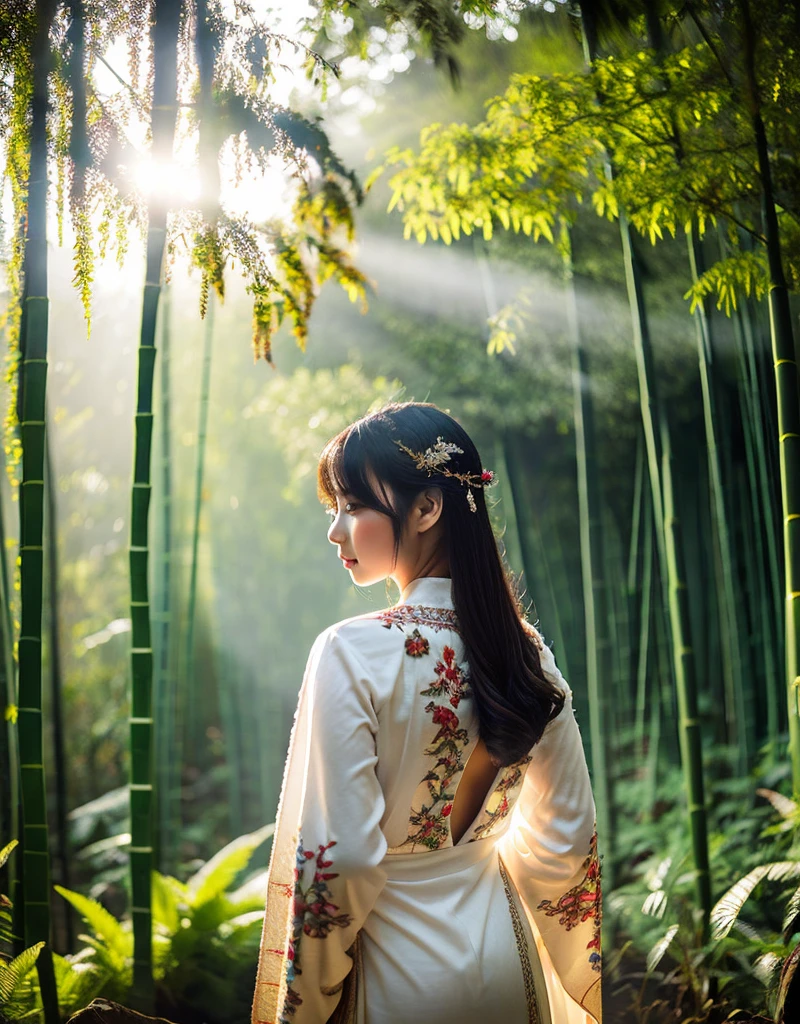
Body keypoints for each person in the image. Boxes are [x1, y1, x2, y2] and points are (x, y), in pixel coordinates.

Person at [251, 401, 601, 1024]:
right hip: (505, 963)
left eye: (353, 506)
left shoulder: (350, 652)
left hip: (396, 974)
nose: (335, 531)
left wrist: (310, 1002)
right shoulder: (527, 655)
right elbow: (567, 841)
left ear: (427, 508)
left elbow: (344, 862)